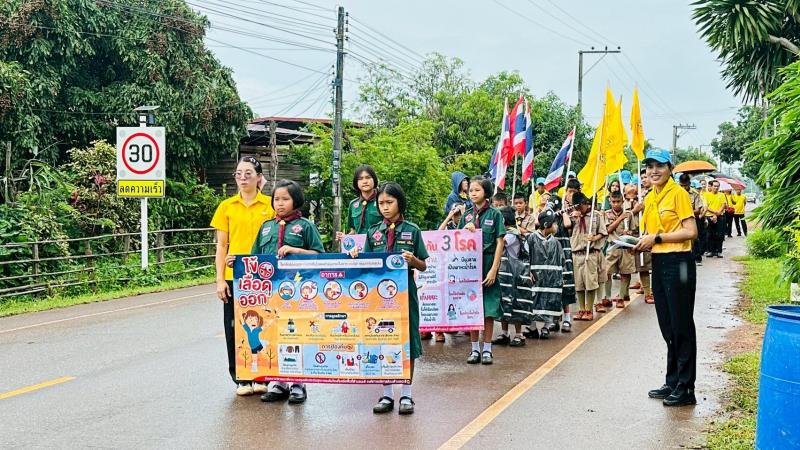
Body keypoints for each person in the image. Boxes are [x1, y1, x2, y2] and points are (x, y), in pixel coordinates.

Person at [351, 182, 429, 415]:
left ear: (399, 203)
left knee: (407, 340)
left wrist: (413, 260)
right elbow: (366, 263)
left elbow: (423, 265)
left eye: (389, 202)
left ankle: (406, 394)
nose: (385, 207)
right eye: (381, 203)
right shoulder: (373, 232)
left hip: (405, 294)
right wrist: (356, 255)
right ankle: (386, 394)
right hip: (379, 297)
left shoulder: (412, 230)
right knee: (381, 339)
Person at [634, 149, 698, 407]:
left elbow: (690, 231)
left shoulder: (678, 194)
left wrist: (657, 238)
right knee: (667, 325)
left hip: (679, 262)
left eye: (659, 166)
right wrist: (642, 241)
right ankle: (672, 381)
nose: (654, 171)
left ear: (670, 169)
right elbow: (652, 232)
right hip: (659, 262)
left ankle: (686, 387)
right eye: (650, 166)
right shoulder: (651, 196)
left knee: (682, 324)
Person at [251, 179, 325, 405]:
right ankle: (278, 382)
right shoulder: (266, 227)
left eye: (285, 199)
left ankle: (298, 384)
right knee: (274, 334)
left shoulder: (305, 226)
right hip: (270, 292)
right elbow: (254, 258)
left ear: (296, 201)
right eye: (276, 199)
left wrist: (295, 250)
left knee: (296, 334)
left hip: (298, 292)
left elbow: (319, 255)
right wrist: (237, 262)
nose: (280, 203)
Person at [211, 156, 275, 397]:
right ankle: (241, 378)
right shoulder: (227, 206)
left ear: (259, 177)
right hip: (235, 276)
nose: (243, 177)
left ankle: (263, 375)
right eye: (239, 173)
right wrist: (220, 279)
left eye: (249, 173)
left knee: (265, 324)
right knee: (234, 327)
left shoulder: (270, 205)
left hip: (264, 276)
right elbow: (221, 246)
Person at [459, 176, 505, 365]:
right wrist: (465, 230)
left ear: (486, 192)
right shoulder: (467, 215)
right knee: (472, 308)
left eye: (477, 190)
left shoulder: (495, 214)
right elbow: (457, 241)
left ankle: (487, 349)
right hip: (470, 266)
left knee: (488, 309)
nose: (473, 193)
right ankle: (474, 349)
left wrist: (494, 269)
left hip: (487, 263)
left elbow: (500, 242)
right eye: (470, 190)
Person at [494, 207, 533, 346]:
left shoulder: (510, 235)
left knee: (516, 304)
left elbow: (500, 245)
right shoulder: (509, 232)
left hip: (515, 275)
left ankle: (519, 334)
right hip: (505, 275)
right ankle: (504, 333)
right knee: (504, 302)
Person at [526, 209, 566, 338]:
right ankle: (532, 327)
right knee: (532, 301)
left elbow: (561, 260)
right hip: (536, 277)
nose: (557, 226)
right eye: (554, 223)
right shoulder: (531, 238)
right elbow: (525, 256)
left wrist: (561, 277)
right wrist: (528, 271)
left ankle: (546, 327)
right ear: (546, 225)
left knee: (551, 300)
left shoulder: (556, 242)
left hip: (552, 279)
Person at [569, 191, 607, 320]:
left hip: (589, 253)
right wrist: (573, 217)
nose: (579, 209)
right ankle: (581, 309)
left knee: (590, 282)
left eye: (581, 206)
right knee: (578, 284)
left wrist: (594, 238)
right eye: (576, 207)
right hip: (576, 253)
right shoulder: (572, 216)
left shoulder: (596, 216)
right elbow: (567, 229)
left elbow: (603, 232)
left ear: (586, 204)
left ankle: (589, 309)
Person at [604, 191, 635, 308]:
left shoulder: (629, 214)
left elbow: (632, 230)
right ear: (610, 201)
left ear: (622, 201)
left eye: (618, 201)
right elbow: (608, 230)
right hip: (612, 246)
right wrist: (620, 219)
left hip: (625, 247)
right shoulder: (606, 214)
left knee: (625, 272)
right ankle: (607, 297)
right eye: (613, 202)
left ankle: (621, 297)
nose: (616, 204)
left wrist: (629, 232)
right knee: (607, 272)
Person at [627, 179, 654, 304]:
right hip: (634, 235)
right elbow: (623, 218)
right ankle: (646, 292)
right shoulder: (624, 203)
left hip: (648, 233)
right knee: (640, 266)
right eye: (629, 193)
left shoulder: (647, 199)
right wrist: (634, 210)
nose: (631, 195)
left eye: (634, 192)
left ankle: (651, 291)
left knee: (650, 264)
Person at [338, 165, 382, 238]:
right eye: (360, 179)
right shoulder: (353, 204)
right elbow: (354, 231)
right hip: (360, 244)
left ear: (374, 180)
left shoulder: (382, 201)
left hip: (379, 244)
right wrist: (345, 237)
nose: (365, 181)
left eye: (368, 177)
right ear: (356, 182)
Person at [682, 176, 706, 265]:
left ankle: (697, 258)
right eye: (681, 185)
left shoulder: (695, 194)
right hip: (681, 220)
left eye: (685, 185)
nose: (684, 188)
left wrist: (686, 211)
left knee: (695, 238)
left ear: (689, 184)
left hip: (693, 219)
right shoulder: (677, 193)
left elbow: (698, 210)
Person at [703, 180, 726, 258]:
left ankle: (718, 251)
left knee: (719, 234)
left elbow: (723, 205)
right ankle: (711, 251)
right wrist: (715, 213)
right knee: (710, 234)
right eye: (714, 186)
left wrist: (717, 213)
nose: (716, 187)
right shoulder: (706, 195)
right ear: (711, 186)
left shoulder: (722, 195)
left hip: (720, 216)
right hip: (709, 216)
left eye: (717, 186)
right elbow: (706, 207)